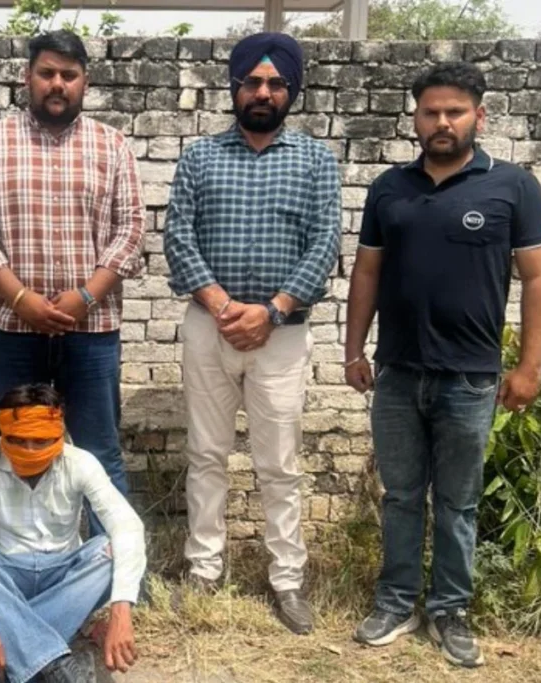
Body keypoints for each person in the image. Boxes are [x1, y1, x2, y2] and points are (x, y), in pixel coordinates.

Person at [345, 61, 541, 668]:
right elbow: (367, 272)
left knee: (458, 503)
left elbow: (539, 280)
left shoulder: (512, 186)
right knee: (401, 496)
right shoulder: (390, 188)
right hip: (397, 372)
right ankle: (396, 602)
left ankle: (450, 610)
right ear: (415, 118)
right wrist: (354, 350)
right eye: (431, 112)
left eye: (454, 112)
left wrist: (530, 367)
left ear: (478, 117)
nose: (442, 122)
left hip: (470, 377)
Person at [162, 32, 341, 635]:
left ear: (292, 91)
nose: (263, 93)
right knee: (206, 453)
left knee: (279, 463)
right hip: (208, 329)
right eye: (253, 82)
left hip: (282, 335)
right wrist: (221, 305)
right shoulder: (200, 158)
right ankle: (204, 568)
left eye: (275, 83)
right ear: (235, 87)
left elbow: (324, 244)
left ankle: (287, 578)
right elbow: (178, 237)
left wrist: (272, 310)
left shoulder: (315, 161)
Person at [0, 30, 146, 536]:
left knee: (100, 450)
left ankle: (113, 566)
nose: (57, 84)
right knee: (17, 443)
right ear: (28, 77)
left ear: (85, 81)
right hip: (13, 329)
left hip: (92, 331)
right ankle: (16, 559)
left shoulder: (112, 145)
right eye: (47, 73)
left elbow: (131, 229)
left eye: (68, 74)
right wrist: (20, 298)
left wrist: (86, 296)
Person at [0, 383, 146, 683]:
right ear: (3, 433)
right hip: (5, 581)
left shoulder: (81, 463)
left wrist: (121, 611)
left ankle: (9, 649)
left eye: (41, 441)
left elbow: (127, 525)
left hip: (62, 578)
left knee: (112, 550)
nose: (29, 451)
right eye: (18, 440)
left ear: (59, 435)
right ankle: (57, 665)